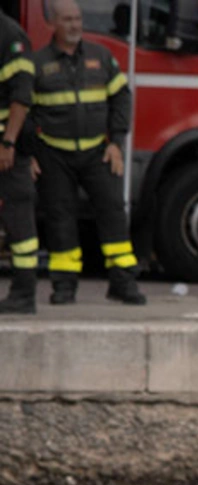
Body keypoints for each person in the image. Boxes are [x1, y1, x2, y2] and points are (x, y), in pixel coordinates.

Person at [29, 0, 145, 306]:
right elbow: (23, 109)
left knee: (112, 212)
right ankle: (64, 286)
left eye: (78, 19)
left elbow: (121, 97)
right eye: (67, 20)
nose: (75, 25)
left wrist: (116, 142)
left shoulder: (101, 56)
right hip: (54, 152)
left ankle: (123, 281)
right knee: (60, 218)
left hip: (98, 150)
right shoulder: (37, 62)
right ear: (53, 23)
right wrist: (30, 152)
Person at [0, 12, 39, 315]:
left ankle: (24, 293)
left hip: (6, 145)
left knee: (18, 219)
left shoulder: (11, 36)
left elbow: (21, 97)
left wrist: (9, 142)